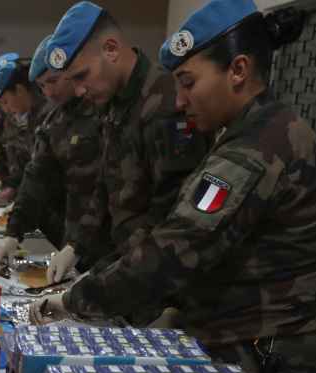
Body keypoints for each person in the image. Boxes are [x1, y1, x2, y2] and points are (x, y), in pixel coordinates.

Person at [33, 0, 316, 373]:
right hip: (242, 337)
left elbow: (173, 250)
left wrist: (75, 300)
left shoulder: (255, 151)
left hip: (273, 354)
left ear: (237, 70)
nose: (178, 100)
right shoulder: (247, 134)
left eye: (188, 83)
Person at [40, 1, 209, 294]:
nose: (79, 91)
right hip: (128, 266)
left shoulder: (165, 103)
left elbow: (170, 213)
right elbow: (106, 183)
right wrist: (76, 246)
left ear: (111, 49)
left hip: (158, 277)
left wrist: (108, 272)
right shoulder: (114, 101)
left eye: (81, 76)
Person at [0, 35, 105, 268]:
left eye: (53, 81)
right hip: (72, 236)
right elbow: (35, 175)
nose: (49, 92)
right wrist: (12, 232)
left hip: (108, 242)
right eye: (42, 86)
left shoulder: (103, 109)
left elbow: (109, 186)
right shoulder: (54, 120)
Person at [0, 53, 49, 205]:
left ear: (20, 90)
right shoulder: (19, 119)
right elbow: (20, 163)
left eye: (6, 102)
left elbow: (42, 167)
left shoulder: (47, 114)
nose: (6, 110)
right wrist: (11, 186)